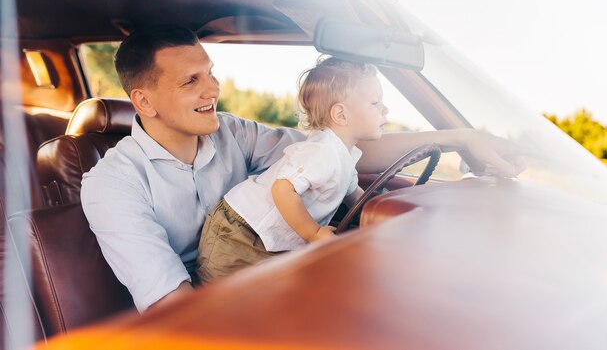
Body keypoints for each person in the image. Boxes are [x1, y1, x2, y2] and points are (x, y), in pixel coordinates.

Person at [81, 25, 524, 313]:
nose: (213, 88)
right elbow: (172, 308)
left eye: (210, 73)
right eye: (190, 81)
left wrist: (456, 139)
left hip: (265, 276)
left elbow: (336, 149)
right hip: (206, 313)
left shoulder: (232, 132)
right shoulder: (111, 184)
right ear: (144, 102)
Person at [196, 57, 387, 282]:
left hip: (265, 236)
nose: (385, 109)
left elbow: (354, 196)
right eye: (375, 103)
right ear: (341, 115)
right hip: (239, 232)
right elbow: (283, 189)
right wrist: (314, 233)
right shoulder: (321, 151)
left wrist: (384, 213)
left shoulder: (343, 155)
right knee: (216, 296)